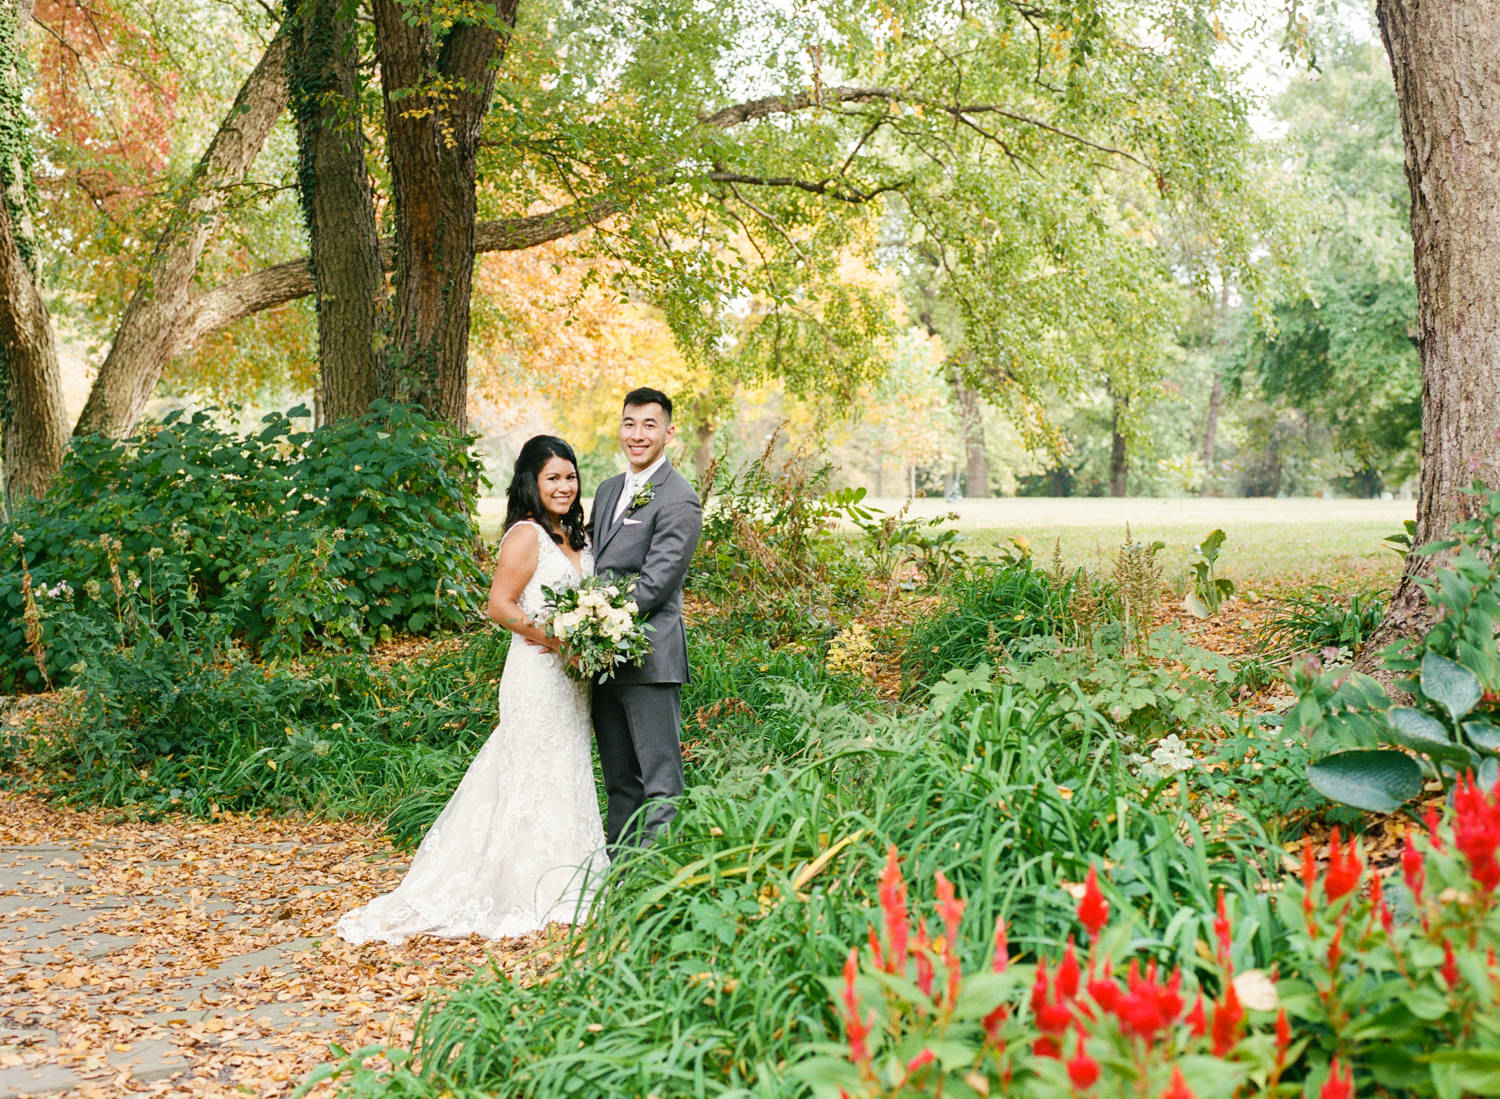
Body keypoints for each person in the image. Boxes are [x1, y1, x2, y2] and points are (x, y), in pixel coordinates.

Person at [336, 436, 607, 945]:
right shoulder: (526, 536)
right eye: (553, 478)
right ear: (531, 482)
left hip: (572, 680)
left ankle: (571, 877)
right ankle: (528, 886)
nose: (564, 486)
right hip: (537, 672)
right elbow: (500, 606)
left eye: (570, 477)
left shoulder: (576, 537)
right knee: (531, 768)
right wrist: (558, 637)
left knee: (566, 765)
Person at [587, 388, 703, 856]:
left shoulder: (680, 499)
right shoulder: (609, 489)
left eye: (649, 425)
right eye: (629, 423)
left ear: (668, 433)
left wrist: (594, 617)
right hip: (600, 656)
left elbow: (655, 584)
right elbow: (594, 562)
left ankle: (656, 877)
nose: (637, 435)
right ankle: (621, 870)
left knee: (659, 779)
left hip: (650, 657)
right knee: (618, 778)